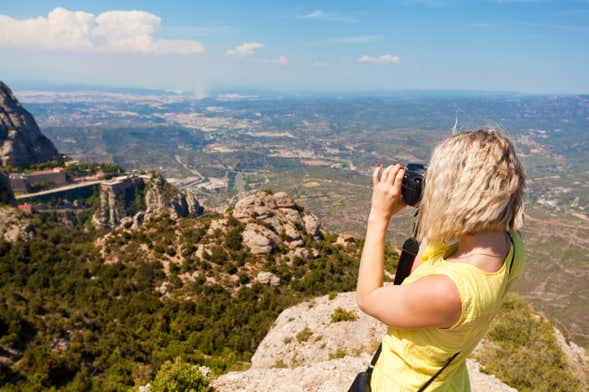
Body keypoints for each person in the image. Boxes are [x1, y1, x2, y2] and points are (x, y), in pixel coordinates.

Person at [356, 128, 526, 391]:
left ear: (458, 194)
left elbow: (368, 298)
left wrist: (379, 215)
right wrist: (436, 212)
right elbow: (420, 272)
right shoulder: (510, 245)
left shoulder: (445, 291)